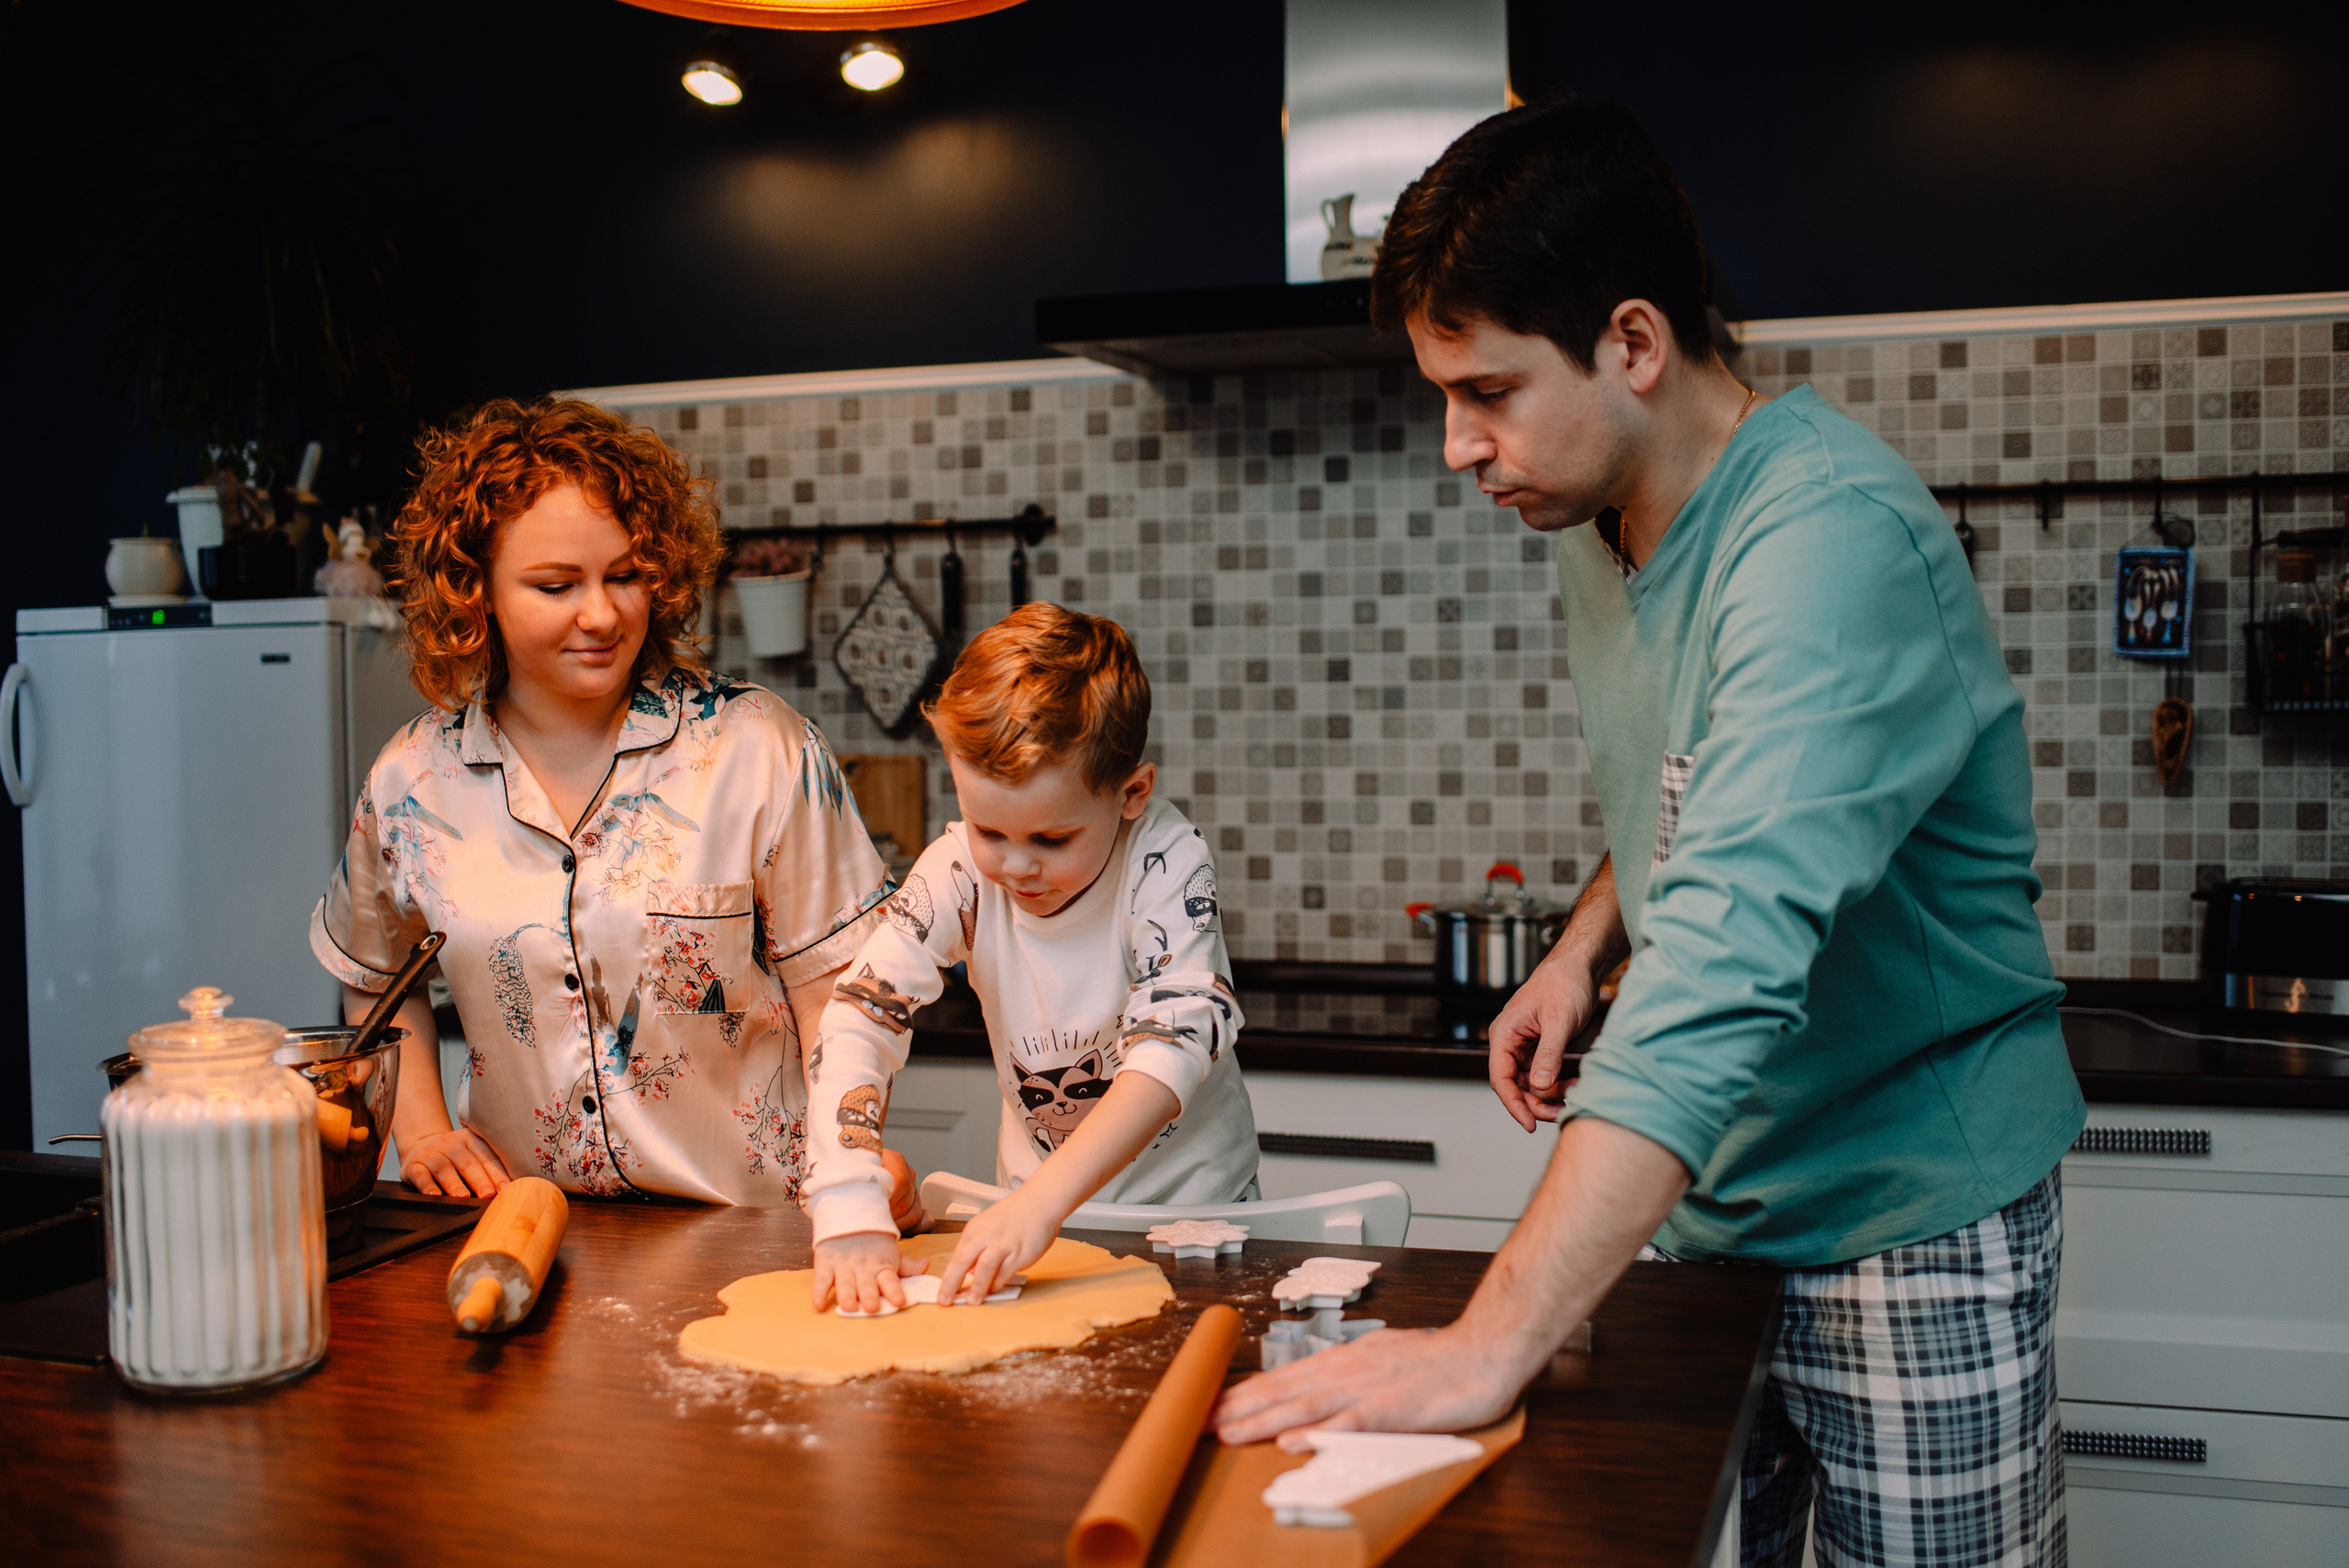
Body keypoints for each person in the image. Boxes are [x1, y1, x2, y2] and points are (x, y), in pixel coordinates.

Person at [1214, 99, 2084, 1568]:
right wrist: (1583, 941)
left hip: (1908, 1223)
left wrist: (1485, 1343)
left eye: (1486, 390)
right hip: (1716, 1211)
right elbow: (1711, 774)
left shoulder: (1826, 542)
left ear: (1632, 342)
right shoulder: (1606, 513)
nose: (1454, 447)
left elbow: (1728, 971)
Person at [311, 397, 924, 1225]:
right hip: (526, 1233)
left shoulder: (759, 749)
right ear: (477, 591)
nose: (600, 614)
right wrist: (419, 1132)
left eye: (626, 575)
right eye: (556, 585)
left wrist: (853, 1161)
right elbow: (374, 976)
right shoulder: (411, 781)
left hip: (758, 1233)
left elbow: (843, 1001)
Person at [803, 604, 1259, 1315]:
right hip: (1027, 1225)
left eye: (1052, 838)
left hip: (1191, 1219)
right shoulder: (957, 874)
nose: (1017, 866)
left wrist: (1042, 1201)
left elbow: (1174, 1044)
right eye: (990, 829)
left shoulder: (1164, 859)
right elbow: (860, 1017)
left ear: (1131, 792)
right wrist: (848, 1202)